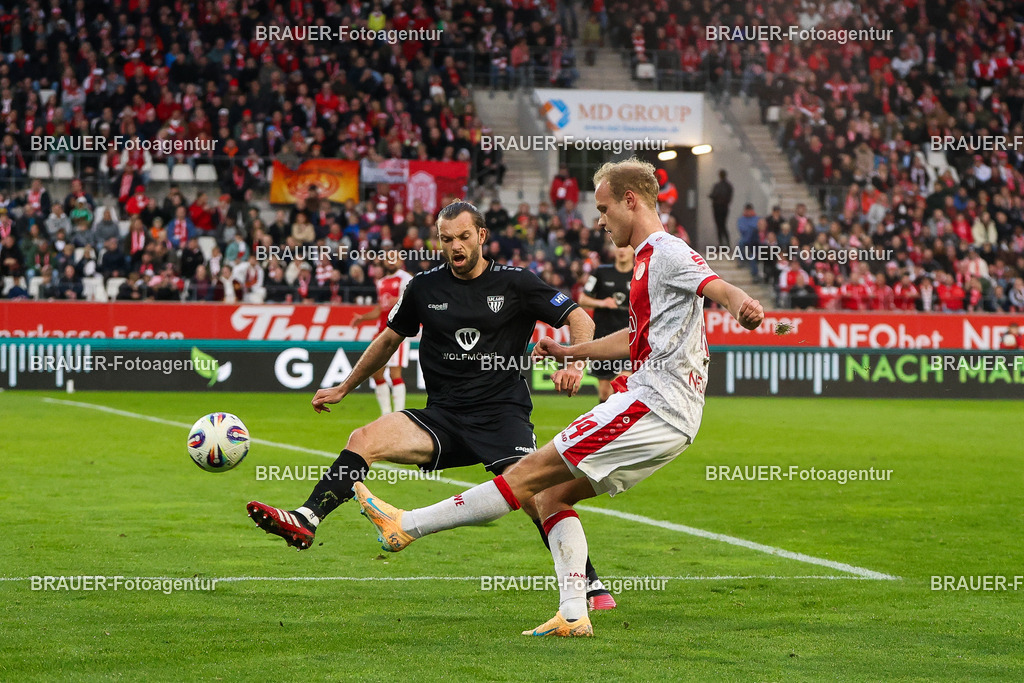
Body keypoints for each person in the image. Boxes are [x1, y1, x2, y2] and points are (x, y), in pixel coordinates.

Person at [354, 158, 764, 637]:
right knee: (549, 495)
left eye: (605, 208)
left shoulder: (665, 251)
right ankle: (574, 613)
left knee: (525, 475)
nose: (600, 219)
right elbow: (634, 340)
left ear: (631, 201)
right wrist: (572, 351)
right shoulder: (647, 263)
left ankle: (407, 524)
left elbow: (718, 287)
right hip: (669, 416)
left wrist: (743, 306)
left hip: (652, 406)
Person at [247, 201, 620, 610]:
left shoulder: (517, 282)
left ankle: (589, 583)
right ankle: (306, 518)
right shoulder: (424, 287)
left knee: (537, 497)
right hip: (442, 417)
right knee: (364, 437)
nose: (455, 246)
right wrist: (345, 387)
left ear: (481, 236)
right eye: (446, 239)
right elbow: (389, 339)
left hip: (502, 417)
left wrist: (576, 359)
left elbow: (579, 317)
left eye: (463, 237)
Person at [350, 251, 414, 415]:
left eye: (394, 258)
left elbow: (411, 301)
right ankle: (386, 414)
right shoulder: (382, 282)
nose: (391, 261)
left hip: (398, 331)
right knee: (376, 373)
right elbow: (380, 308)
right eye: (388, 259)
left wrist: (400, 300)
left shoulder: (405, 278)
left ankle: (399, 414)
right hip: (381, 332)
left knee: (395, 373)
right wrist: (362, 318)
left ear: (400, 260)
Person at [578, 244, 632, 402]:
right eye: (619, 247)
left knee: (621, 383)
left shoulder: (640, 274)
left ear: (634, 250)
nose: (622, 251)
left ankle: (622, 423)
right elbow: (582, 299)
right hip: (603, 338)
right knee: (604, 393)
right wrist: (603, 303)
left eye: (626, 247)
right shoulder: (601, 272)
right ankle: (605, 423)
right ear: (614, 250)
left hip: (627, 340)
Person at [709, 169, 734, 247]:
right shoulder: (728, 186)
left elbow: (713, 195)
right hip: (722, 208)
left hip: (720, 208)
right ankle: (724, 244)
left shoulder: (719, 186)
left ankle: (723, 244)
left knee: (721, 226)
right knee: (721, 226)